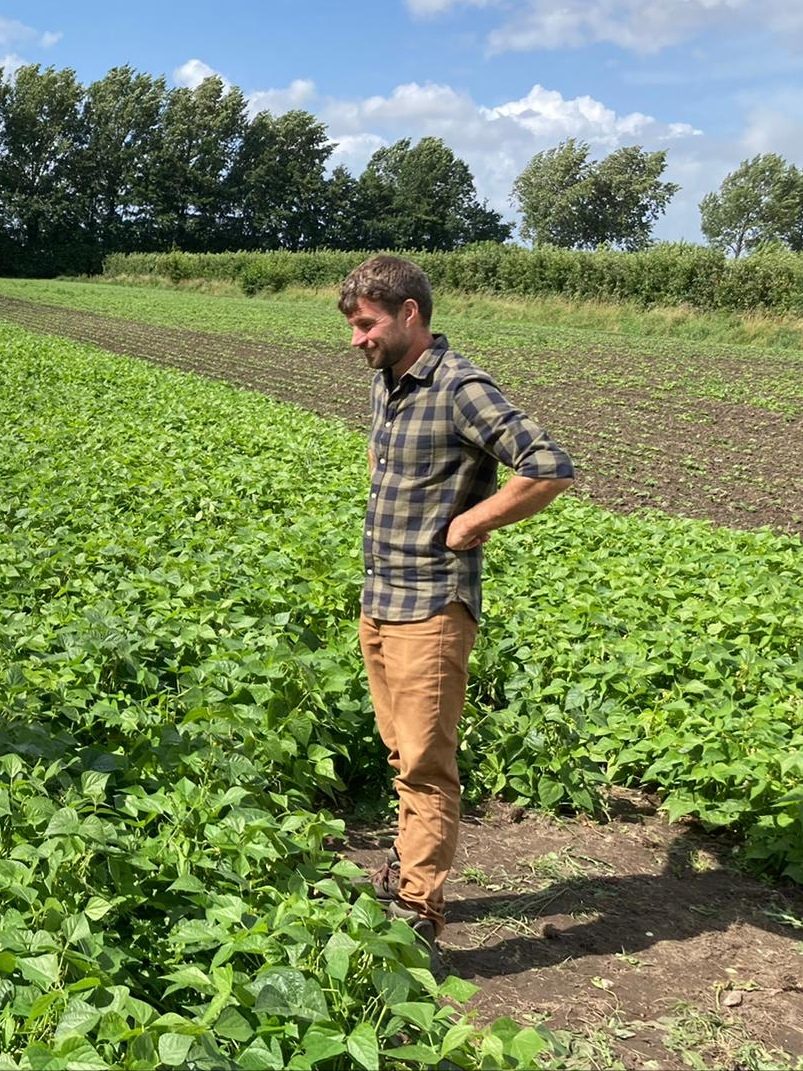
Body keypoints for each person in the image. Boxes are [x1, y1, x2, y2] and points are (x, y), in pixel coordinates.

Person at [338, 255, 574, 950]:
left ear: (409, 313)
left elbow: (548, 466)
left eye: (366, 324)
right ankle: (405, 868)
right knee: (399, 752)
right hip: (382, 593)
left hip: (431, 605)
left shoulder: (459, 386)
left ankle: (420, 913)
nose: (356, 338)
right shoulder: (388, 380)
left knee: (425, 764)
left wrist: (471, 522)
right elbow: (386, 460)